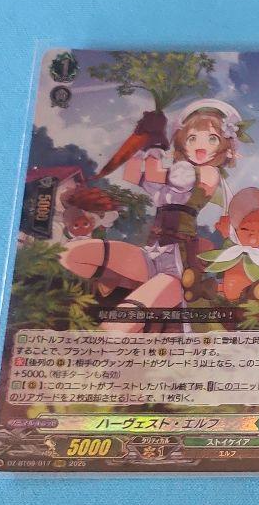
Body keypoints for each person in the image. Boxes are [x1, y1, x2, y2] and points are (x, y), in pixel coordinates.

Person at [60, 99, 246, 331]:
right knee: (70, 253)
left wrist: (155, 145)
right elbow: (132, 173)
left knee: (115, 327)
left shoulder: (207, 172)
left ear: (224, 146)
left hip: (178, 265)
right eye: (192, 138)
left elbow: (158, 175)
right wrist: (143, 138)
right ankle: (123, 283)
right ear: (182, 141)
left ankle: (142, 296)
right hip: (151, 254)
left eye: (212, 139)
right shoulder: (174, 173)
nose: (200, 145)